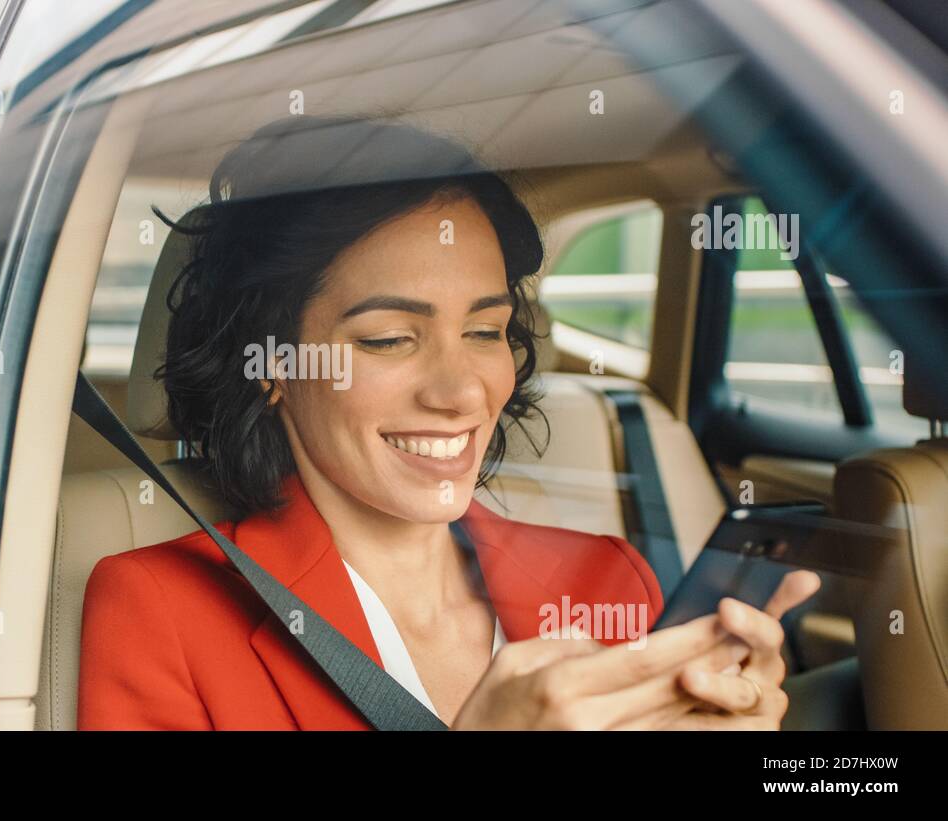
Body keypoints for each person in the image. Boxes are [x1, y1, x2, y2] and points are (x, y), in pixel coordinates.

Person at [76, 114, 819, 730]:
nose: (460, 392)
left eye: (486, 331)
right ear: (272, 362)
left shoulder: (606, 577)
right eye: (389, 338)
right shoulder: (159, 609)